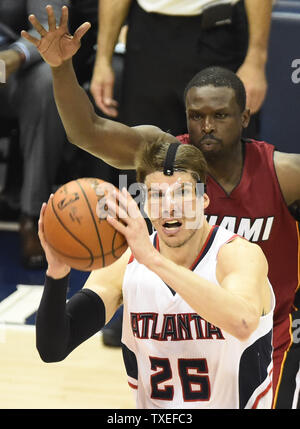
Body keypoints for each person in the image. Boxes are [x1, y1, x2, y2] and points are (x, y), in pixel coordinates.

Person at [22, 5, 300, 408]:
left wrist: (151, 258)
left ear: (244, 117)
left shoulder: (280, 178)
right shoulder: (164, 156)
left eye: (220, 115)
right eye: (196, 116)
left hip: (263, 329)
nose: (207, 126)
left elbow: (242, 320)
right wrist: (62, 70)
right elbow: (89, 131)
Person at [36, 139, 275, 409]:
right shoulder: (125, 265)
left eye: (182, 193)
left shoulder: (237, 255)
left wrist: (152, 260)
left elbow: (242, 322)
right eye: (157, 195)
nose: (169, 206)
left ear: (204, 199)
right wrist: (56, 273)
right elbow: (53, 348)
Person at [90, 0, 272, 138]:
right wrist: (103, 60)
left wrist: (256, 60)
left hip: (218, 36)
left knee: (223, 163)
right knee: (145, 159)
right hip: (147, 37)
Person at [0, 0, 66, 268]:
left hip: (12, 69)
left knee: (45, 81)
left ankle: (32, 216)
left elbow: (50, 28)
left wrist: (14, 56)